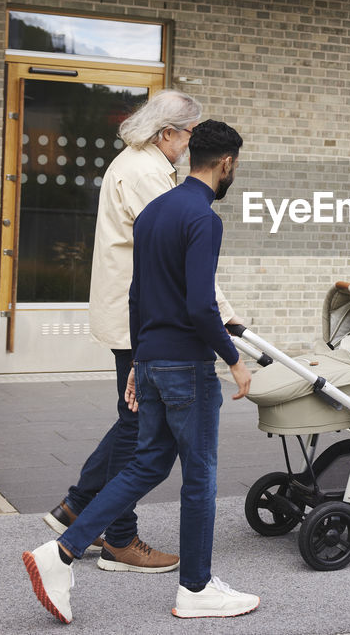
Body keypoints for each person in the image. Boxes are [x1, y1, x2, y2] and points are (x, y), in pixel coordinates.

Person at [22, 120, 259, 623]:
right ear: (227, 163)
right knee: (200, 476)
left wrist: (138, 362)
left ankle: (62, 552)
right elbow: (200, 306)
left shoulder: (154, 213)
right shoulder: (203, 219)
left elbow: (136, 294)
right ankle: (196, 590)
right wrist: (234, 360)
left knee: (147, 464)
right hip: (186, 369)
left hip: (149, 357)